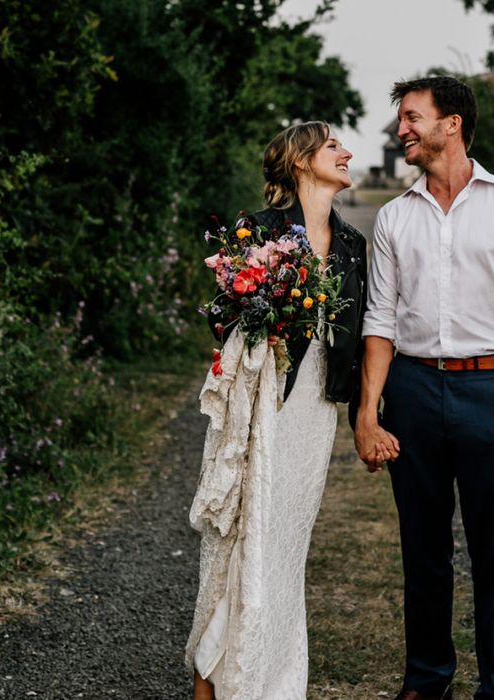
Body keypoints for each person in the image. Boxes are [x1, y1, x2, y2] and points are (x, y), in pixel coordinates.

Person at [355, 76, 494, 700]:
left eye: (412, 118)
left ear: (453, 124)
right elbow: (380, 320)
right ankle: (428, 678)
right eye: (401, 120)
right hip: (414, 392)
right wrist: (369, 414)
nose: (402, 131)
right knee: (422, 551)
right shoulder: (393, 217)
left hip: (492, 390)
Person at [186, 121, 367, 700]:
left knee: (286, 543)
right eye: (334, 146)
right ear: (301, 160)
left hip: (314, 410)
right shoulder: (256, 232)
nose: (347, 153)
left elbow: (361, 335)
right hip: (262, 404)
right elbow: (224, 321)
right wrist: (264, 309)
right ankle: (215, 677)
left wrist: (369, 413)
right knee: (246, 535)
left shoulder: (351, 247)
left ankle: (271, 678)